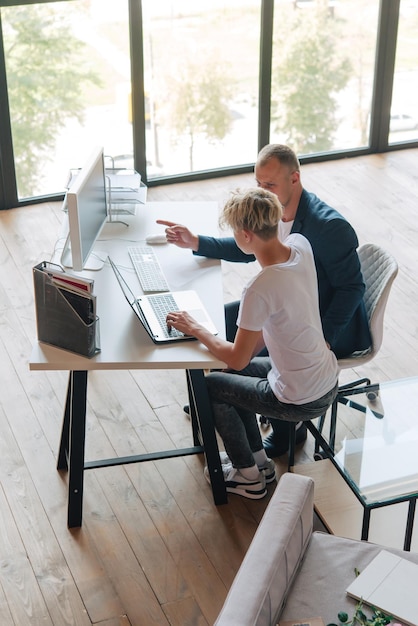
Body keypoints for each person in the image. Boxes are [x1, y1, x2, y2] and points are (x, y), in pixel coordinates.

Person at [158, 144, 371, 457]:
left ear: (294, 179)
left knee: (238, 345)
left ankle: (286, 429)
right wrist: (197, 242)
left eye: (269, 185)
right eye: (259, 183)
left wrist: (324, 336)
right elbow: (253, 247)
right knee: (220, 318)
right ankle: (226, 400)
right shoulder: (283, 227)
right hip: (288, 307)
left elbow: (353, 287)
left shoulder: (327, 228)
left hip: (324, 323)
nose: (263, 191)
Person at [165, 188, 339, 499]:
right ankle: (260, 462)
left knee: (210, 387)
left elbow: (237, 359)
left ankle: (247, 475)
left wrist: (197, 329)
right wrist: (197, 241)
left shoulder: (260, 287)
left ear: (246, 236)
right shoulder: (300, 246)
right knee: (235, 383)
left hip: (299, 397)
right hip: (326, 377)